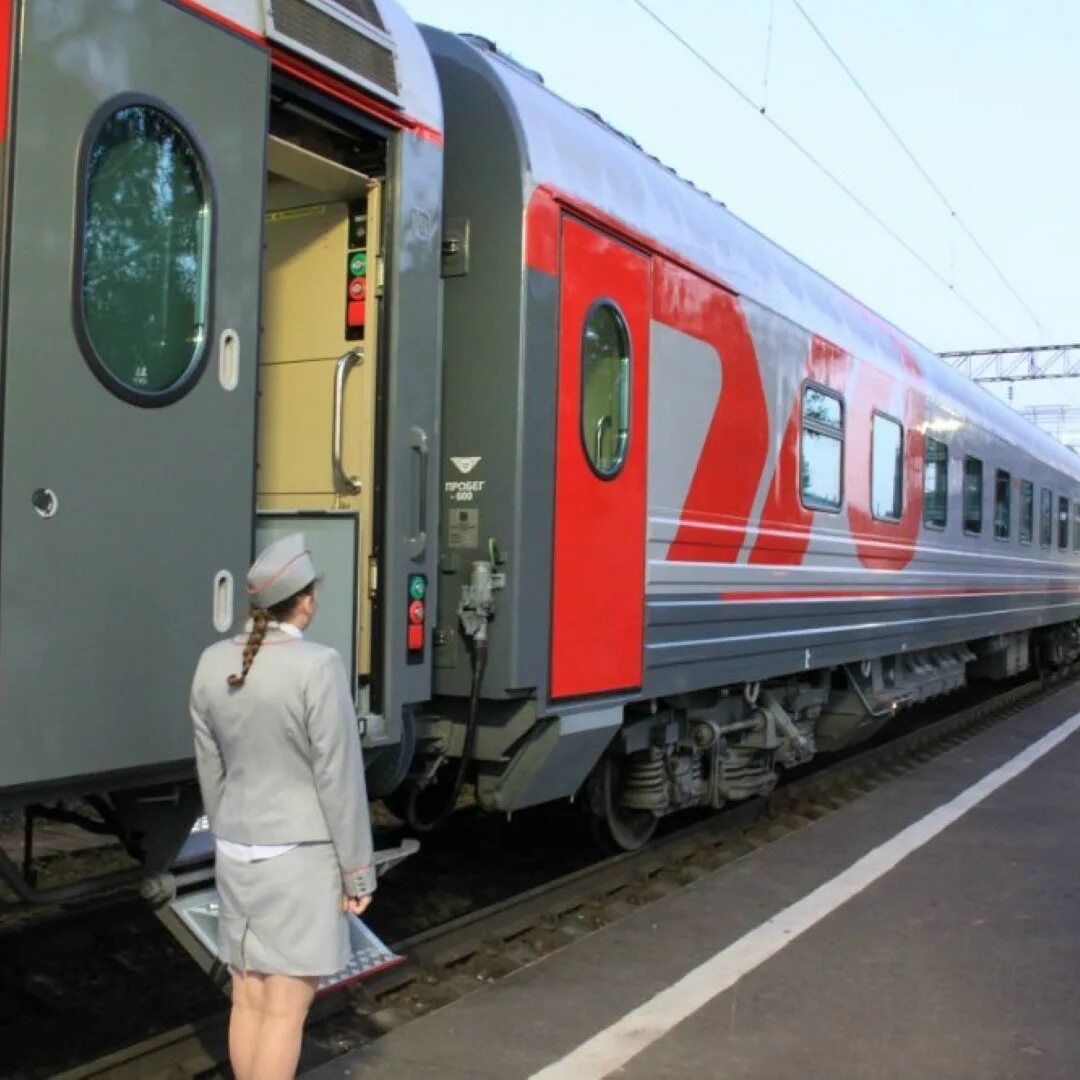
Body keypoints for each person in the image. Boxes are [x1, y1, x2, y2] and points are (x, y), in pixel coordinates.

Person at [190, 534, 376, 1080]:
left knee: (246, 1002)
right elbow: (338, 778)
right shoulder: (318, 667)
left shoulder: (210, 662)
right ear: (307, 600)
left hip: (236, 852)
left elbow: (210, 767)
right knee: (285, 1012)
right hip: (299, 859)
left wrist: (229, 831)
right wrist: (357, 872)